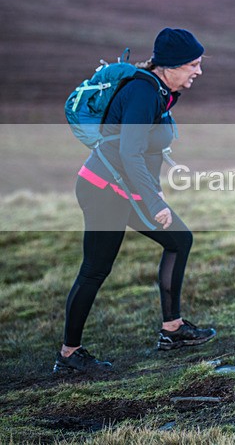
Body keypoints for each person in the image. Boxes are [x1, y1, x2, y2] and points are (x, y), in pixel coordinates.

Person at [54, 28, 216, 375]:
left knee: (179, 240)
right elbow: (130, 154)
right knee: (95, 269)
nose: (198, 71)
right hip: (103, 189)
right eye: (193, 64)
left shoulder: (161, 91)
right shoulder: (144, 93)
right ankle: (69, 355)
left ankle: (172, 330)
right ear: (171, 65)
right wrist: (154, 202)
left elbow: (143, 151)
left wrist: (153, 192)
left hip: (124, 189)